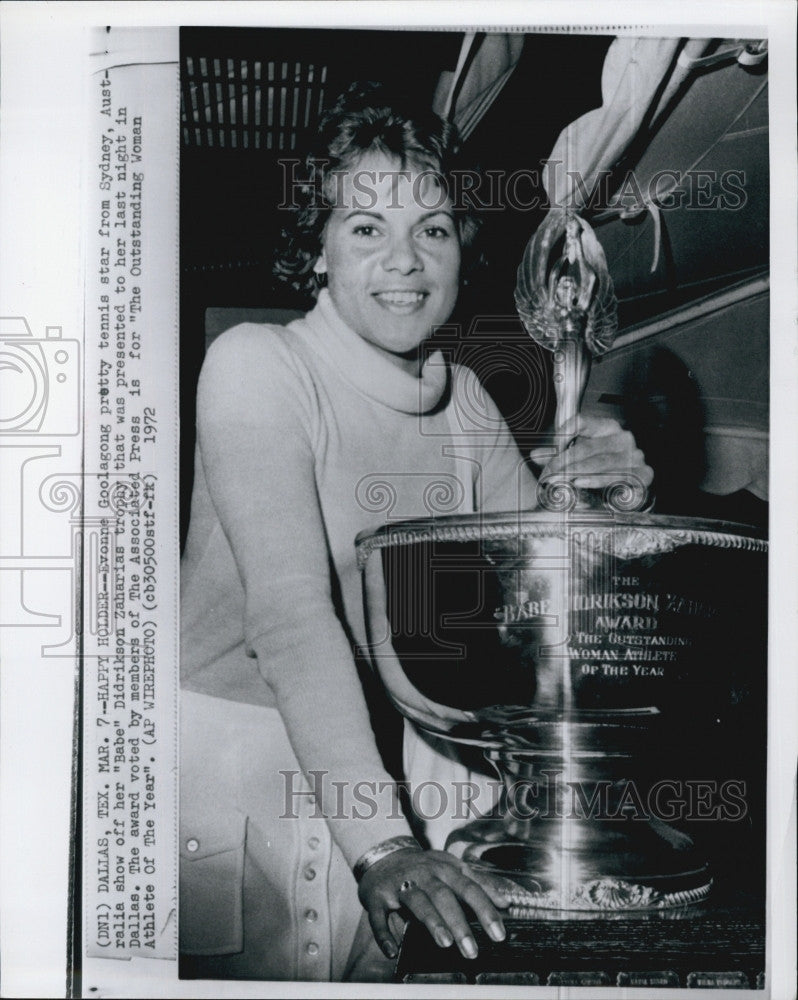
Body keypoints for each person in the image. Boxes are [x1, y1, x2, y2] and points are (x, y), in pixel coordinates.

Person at [179, 82, 652, 982]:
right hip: (233, 766)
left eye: (431, 229)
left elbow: (529, 606)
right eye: (365, 229)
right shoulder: (256, 365)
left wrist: (607, 504)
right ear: (313, 251)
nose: (405, 260)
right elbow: (288, 617)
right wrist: (383, 844)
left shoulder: (465, 398)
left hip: (382, 759)